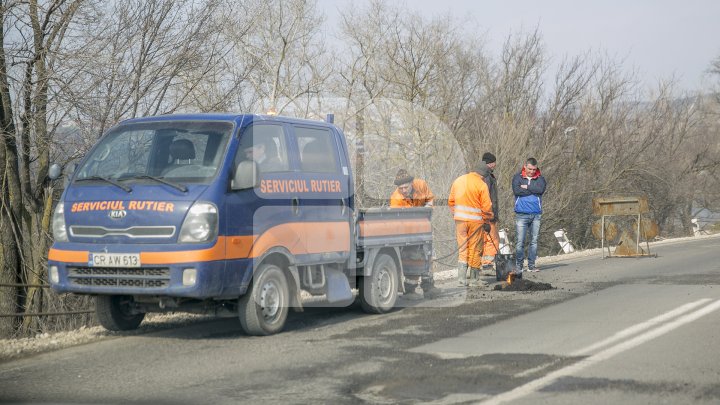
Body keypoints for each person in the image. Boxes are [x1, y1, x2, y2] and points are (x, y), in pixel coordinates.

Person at [389, 169, 440, 299]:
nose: (404, 191)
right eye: (401, 188)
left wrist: (426, 211)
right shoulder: (396, 199)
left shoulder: (421, 185)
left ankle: (429, 287)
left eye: (406, 187)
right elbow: (399, 222)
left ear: (412, 183)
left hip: (425, 227)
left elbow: (430, 200)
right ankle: (410, 290)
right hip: (408, 231)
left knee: (428, 255)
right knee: (412, 257)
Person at [448, 163, 494, 287]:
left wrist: (456, 215)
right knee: (475, 249)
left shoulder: (458, 180)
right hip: (476, 222)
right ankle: (474, 280)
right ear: (483, 175)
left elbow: (451, 201)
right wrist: (487, 221)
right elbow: (486, 206)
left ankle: (461, 280)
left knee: (463, 248)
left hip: (460, 221)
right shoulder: (481, 184)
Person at [512, 157, 546, 275]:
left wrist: (526, 187)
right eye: (530, 169)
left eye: (534, 169)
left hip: (536, 214)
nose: (532, 171)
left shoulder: (540, 178)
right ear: (525, 166)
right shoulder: (517, 177)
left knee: (534, 241)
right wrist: (533, 190)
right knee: (520, 242)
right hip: (521, 214)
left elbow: (540, 189)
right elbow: (517, 191)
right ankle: (519, 266)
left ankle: (531, 265)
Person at [480, 152, 501, 275]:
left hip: (482, 215)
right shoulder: (487, 177)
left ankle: (480, 265)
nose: (495, 164)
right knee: (492, 239)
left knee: (482, 240)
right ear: (490, 163)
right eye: (494, 162)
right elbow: (487, 198)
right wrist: (491, 215)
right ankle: (488, 265)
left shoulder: (481, 175)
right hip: (488, 215)